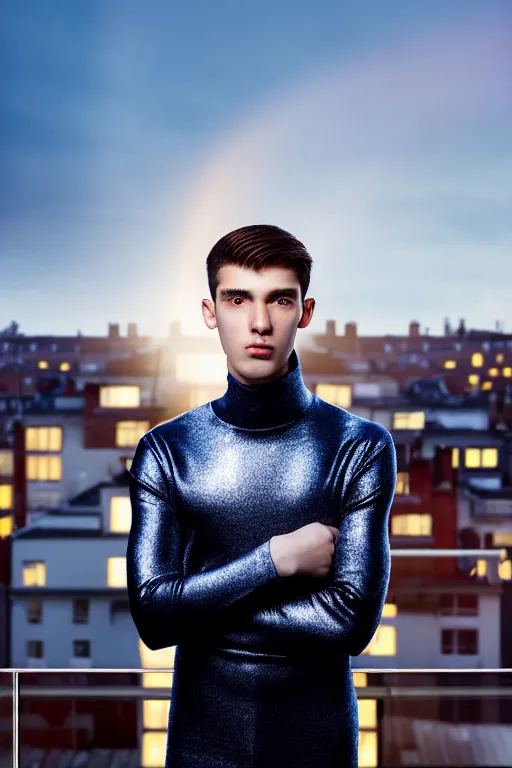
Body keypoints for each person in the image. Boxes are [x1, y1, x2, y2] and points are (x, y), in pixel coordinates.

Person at [126, 224, 397, 767]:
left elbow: (350, 623)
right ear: (210, 312)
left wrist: (196, 608)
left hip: (318, 747)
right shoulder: (165, 451)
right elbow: (153, 619)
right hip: (201, 747)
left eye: (279, 299)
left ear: (305, 311)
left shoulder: (360, 447)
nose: (259, 322)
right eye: (237, 299)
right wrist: (276, 559)